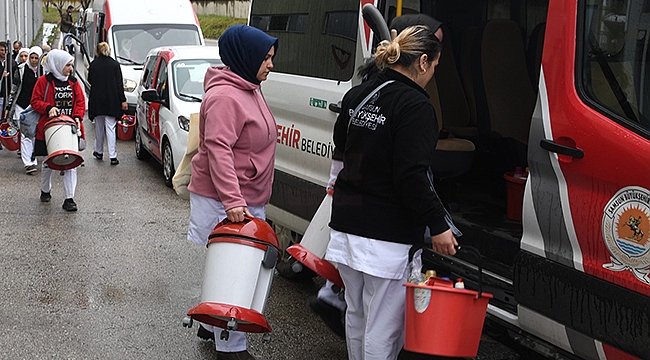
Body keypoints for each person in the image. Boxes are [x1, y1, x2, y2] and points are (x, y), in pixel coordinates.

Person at [325, 25, 457, 360]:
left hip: (346, 226)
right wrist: (439, 225)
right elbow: (411, 176)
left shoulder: (360, 94)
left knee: (356, 314)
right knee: (383, 328)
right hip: (387, 236)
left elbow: (341, 147)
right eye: (435, 68)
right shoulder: (416, 107)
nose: (432, 76)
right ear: (423, 62)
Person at [185, 24, 277, 360]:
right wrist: (233, 202)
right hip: (227, 199)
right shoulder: (226, 96)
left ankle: (211, 326)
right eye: (265, 58)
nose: (270, 65)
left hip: (245, 196)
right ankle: (231, 348)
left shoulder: (249, 87)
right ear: (245, 57)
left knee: (241, 266)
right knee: (236, 270)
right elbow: (218, 150)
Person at [31, 49, 86, 212]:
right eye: (67, 65)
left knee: (71, 163)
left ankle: (69, 198)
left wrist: (77, 116)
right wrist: (48, 108)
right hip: (49, 130)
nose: (70, 68)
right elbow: (35, 101)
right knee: (49, 163)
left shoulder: (74, 82)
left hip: (69, 128)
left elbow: (80, 102)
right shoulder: (43, 82)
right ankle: (45, 190)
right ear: (58, 65)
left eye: (71, 65)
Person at [4, 46, 42, 174]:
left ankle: (32, 157)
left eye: (36, 58)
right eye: (32, 57)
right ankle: (28, 163)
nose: (33, 60)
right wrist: (8, 107)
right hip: (21, 105)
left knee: (35, 134)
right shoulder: (20, 70)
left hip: (35, 107)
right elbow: (14, 90)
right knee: (26, 134)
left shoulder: (43, 72)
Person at [88, 42, 127, 165]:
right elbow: (119, 84)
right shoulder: (115, 65)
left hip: (97, 100)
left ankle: (99, 151)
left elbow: (90, 80)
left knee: (99, 128)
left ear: (97, 51)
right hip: (111, 100)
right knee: (111, 128)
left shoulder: (94, 65)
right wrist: (123, 100)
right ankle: (113, 155)